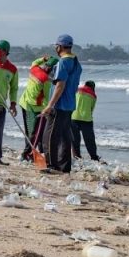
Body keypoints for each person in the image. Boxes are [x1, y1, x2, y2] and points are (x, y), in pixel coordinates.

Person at [40, 34, 82, 173]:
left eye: (56, 46)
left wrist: (50, 105)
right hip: (69, 104)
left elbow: (60, 85)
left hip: (59, 105)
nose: (55, 48)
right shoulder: (76, 62)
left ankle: (52, 165)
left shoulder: (63, 62)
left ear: (60, 46)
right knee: (65, 137)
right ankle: (64, 167)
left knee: (50, 136)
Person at [18, 55, 57, 161]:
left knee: (29, 131)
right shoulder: (46, 80)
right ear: (51, 68)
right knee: (36, 133)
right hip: (35, 108)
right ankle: (27, 154)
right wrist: (48, 109)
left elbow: (34, 62)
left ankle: (31, 152)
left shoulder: (34, 69)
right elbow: (47, 98)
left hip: (25, 103)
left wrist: (43, 59)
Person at [72, 80, 101, 161]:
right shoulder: (93, 95)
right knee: (89, 140)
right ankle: (94, 157)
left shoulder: (76, 90)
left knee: (75, 139)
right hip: (86, 119)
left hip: (73, 117)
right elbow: (91, 109)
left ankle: (77, 156)